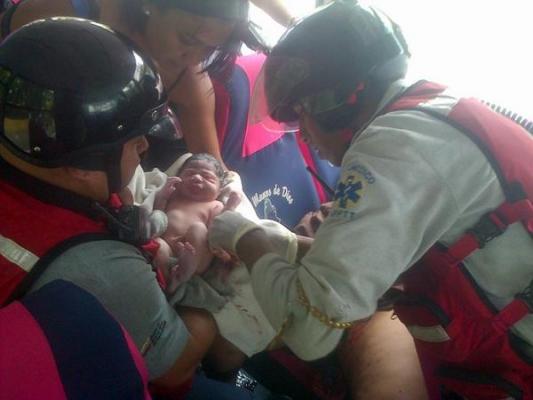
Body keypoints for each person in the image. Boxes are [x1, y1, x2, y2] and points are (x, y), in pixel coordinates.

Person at [207, 2, 533, 399]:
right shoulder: (429, 113)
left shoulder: (393, 150)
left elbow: (311, 332)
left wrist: (245, 238)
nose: (302, 135)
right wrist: (283, 244)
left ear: (335, 101)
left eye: (299, 115)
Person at [0, 18, 250, 399]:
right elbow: (174, 369)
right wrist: (219, 288)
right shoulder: (101, 269)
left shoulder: (28, 146)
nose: (146, 148)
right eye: (135, 143)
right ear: (81, 168)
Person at [0, 0, 260, 169]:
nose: (192, 59)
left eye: (210, 49)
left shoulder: (189, 79)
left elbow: (211, 163)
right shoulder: (70, 16)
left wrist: (228, 185)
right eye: (188, 39)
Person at [152, 153, 236, 295]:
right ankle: (170, 282)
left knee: (198, 229)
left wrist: (230, 207)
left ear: (220, 189)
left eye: (207, 177)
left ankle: (186, 272)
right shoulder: (173, 195)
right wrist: (162, 196)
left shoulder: (214, 205)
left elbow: (218, 229)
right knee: (158, 245)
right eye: (190, 173)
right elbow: (158, 215)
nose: (197, 178)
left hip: (196, 254)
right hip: (168, 248)